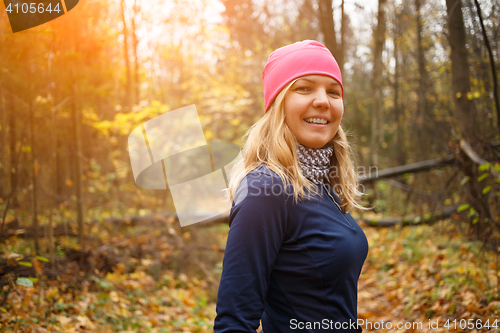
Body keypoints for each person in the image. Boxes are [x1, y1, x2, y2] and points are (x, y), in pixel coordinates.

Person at [213, 40, 369, 333]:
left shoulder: (322, 183)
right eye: (304, 88)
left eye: (333, 91)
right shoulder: (266, 190)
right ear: (278, 104)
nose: (323, 100)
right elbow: (234, 323)